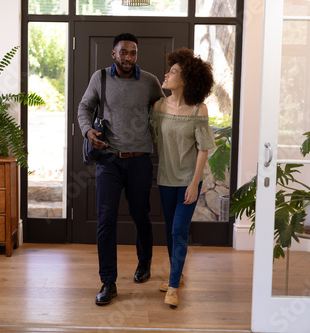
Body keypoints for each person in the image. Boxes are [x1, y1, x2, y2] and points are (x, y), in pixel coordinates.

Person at [78, 33, 164, 306]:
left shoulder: (150, 82)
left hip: (140, 160)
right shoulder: (100, 78)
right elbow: (84, 107)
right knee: (106, 221)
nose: (129, 58)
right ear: (113, 54)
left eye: (133, 53)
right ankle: (108, 281)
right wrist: (88, 129)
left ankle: (144, 263)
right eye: (123, 52)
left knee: (141, 215)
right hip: (109, 161)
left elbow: (166, 110)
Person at [150, 48, 216, 307]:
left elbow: (204, 148)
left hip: (188, 180)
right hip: (165, 178)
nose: (166, 75)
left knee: (179, 231)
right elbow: (153, 137)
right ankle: (177, 275)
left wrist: (193, 183)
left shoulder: (199, 110)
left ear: (186, 80)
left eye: (173, 72)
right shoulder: (158, 106)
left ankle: (174, 285)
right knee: (169, 230)